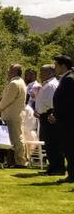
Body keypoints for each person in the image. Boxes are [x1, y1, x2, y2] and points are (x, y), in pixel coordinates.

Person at [0, 64, 29, 168]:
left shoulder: (14, 83)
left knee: (16, 138)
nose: (8, 73)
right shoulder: (21, 82)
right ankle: (18, 160)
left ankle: (20, 161)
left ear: (14, 72)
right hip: (17, 114)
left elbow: (6, 100)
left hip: (12, 115)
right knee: (18, 137)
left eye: (9, 71)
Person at [48, 55, 74, 183]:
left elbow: (68, 103)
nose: (55, 68)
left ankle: (72, 175)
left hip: (68, 121)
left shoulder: (69, 79)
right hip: (64, 119)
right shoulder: (66, 79)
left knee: (70, 147)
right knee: (67, 147)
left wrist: (57, 115)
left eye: (56, 65)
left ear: (63, 66)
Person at [35, 65, 62, 175]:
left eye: (43, 71)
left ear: (51, 72)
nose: (40, 74)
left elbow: (51, 103)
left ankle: (57, 168)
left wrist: (46, 113)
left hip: (49, 115)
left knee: (53, 143)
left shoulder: (51, 85)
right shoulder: (47, 84)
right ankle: (52, 167)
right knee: (49, 144)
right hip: (44, 114)